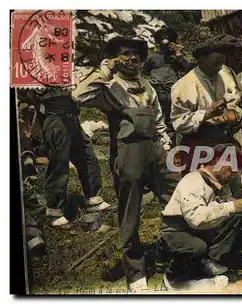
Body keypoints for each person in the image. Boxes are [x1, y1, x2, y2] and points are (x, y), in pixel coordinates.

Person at [72, 36, 181, 292]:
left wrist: (165, 146)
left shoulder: (147, 85)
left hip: (155, 150)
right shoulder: (109, 86)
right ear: (115, 58)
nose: (131, 58)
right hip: (128, 151)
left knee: (176, 200)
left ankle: (170, 256)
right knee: (130, 213)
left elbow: (158, 119)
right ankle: (135, 272)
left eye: (134, 53)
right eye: (124, 54)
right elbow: (78, 95)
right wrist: (106, 69)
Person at [158, 144, 242, 289]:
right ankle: (174, 278)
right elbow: (196, 219)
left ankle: (207, 263)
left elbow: (222, 209)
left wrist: (238, 206)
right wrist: (231, 206)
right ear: (219, 160)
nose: (234, 172)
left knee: (237, 216)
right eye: (232, 167)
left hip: (200, 231)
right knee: (197, 247)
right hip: (176, 232)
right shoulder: (193, 180)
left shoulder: (221, 184)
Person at [18, 87, 110, 227]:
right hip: (55, 116)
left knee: (87, 156)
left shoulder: (67, 66)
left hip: (72, 114)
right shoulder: (37, 71)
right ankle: (55, 210)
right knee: (59, 162)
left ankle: (93, 198)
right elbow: (28, 93)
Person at [170, 38, 242, 175]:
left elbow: (236, 100)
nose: (219, 67)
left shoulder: (225, 74)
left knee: (234, 180)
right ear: (202, 59)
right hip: (198, 144)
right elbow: (179, 123)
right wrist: (206, 114)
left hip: (225, 139)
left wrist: (234, 112)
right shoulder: (183, 86)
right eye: (216, 63)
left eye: (221, 63)